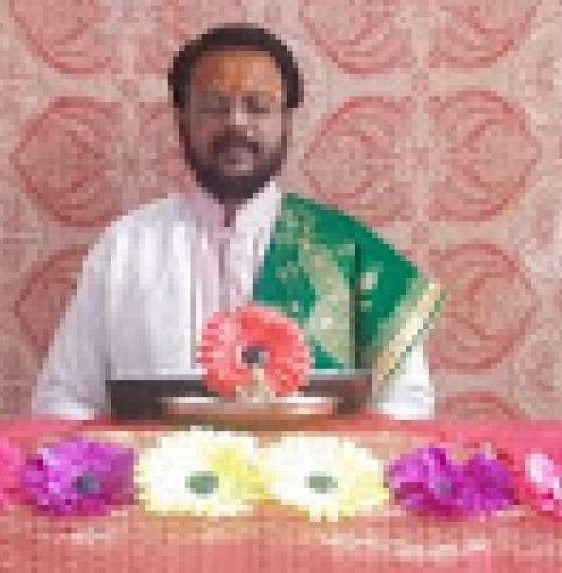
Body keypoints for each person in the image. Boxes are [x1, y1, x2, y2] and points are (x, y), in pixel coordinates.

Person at [31, 23, 445, 420]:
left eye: (258, 106)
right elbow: (65, 397)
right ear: (182, 120)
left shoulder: (347, 251)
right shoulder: (126, 246)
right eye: (214, 106)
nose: (236, 123)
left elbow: (406, 404)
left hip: (307, 473)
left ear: (286, 120)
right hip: (155, 472)